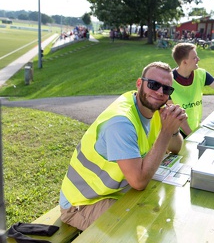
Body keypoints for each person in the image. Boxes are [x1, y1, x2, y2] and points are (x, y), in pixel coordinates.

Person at [59, 61, 187, 231]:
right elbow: (139, 181)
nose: (159, 92)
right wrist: (165, 132)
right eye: (154, 85)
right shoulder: (121, 122)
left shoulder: (155, 110)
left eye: (167, 89)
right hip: (84, 202)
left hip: (117, 192)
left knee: (163, 219)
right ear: (139, 84)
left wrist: (173, 127)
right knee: (138, 229)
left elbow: (176, 148)